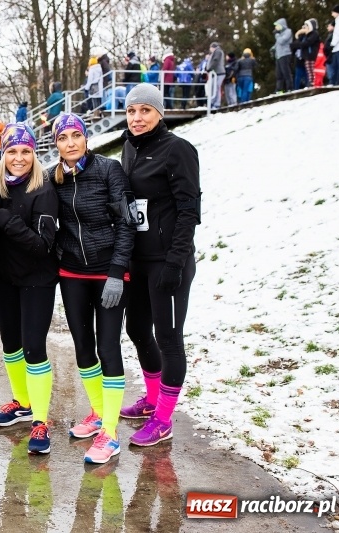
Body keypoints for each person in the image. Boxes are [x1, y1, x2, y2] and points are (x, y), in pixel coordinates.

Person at [119, 84, 201, 447]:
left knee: (168, 338)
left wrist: (176, 261)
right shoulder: (129, 148)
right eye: (132, 111)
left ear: (160, 113)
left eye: (145, 111)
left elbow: (188, 211)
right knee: (137, 330)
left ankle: (164, 419)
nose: (137, 118)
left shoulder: (178, 149)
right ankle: (152, 399)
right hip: (137, 259)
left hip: (168, 262)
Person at [52, 113, 135, 464]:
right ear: (55, 144)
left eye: (76, 135)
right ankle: (99, 412)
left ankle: (111, 433)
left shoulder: (108, 170)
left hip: (108, 273)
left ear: (86, 138)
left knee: (108, 347)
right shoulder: (54, 178)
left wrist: (117, 272)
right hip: (72, 273)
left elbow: (126, 223)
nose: (70, 143)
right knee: (84, 348)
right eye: (62, 138)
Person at [0, 123, 58, 455]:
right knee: (10, 345)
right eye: (12, 151)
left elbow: (43, 245)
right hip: (5, 279)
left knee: (33, 349)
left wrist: (9, 222)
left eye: (26, 151)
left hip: (37, 280)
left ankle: (40, 421)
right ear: (3, 153)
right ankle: (23, 401)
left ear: (34, 153)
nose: (19, 158)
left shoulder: (43, 189)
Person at [271, 18, 294, 92]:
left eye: (277, 26)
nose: (276, 28)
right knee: (279, 74)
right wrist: (273, 49)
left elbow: (282, 41)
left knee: (286, 72)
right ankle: (279, 89)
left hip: (285, 54)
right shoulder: (280, 34)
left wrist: (277, 35)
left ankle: (289, 88)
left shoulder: (288, 31)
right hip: (279, 55)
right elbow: (277, 44)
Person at [206, 42, 226, 108]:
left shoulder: (218, 51)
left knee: (216, 87)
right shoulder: (216, 52)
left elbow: (215, 60)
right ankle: (212, 102)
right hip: (216, 73)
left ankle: (217, 103)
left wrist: (209, 68)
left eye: (210, 48)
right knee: (214, 87)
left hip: (219, 73)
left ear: (212, 47)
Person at [325, 20, 336, 84]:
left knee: (331, 71)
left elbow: (330, 45)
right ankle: (331, 82)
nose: (327, 27)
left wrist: (328, 49)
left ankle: (332, 83)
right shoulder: (330, 34)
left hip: (331, 55)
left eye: (329, 26)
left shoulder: (333, 34)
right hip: (328, 55)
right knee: (330, 71)